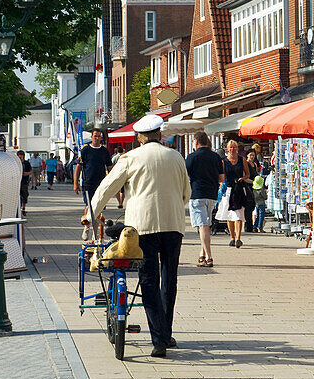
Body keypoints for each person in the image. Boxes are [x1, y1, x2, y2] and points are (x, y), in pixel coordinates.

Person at [91, 113, 190, 358]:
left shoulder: (131, 157)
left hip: (142, 227)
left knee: (148, 280)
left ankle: (158, 340)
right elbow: (186, 192)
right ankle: (166, 334)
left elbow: (107, 187)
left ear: (140, 137)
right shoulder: (176, 156)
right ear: (159, 134)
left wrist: (92, 212)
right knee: (169, 279)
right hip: (173, 225)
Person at [185, 131, 225, 267]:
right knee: (205, 226)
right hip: (212, 194)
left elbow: (184, 176)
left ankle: (209, 257)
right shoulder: (216, 157)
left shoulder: (191, 157)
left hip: (197, 194)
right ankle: (201, 254)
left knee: (203, 226)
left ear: (196, 141)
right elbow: (222, 178)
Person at [74, 128, 113, 241]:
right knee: (90, 207)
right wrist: (75, 183)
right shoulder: (85, 150)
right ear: (91, 137)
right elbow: (79, 167)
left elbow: (110, 167)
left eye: (99, 136)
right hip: (88, 183)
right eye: (95, 136)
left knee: (98, 209)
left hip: (101, 184)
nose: (97, 138)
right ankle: (87, 226)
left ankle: (95, 234)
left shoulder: (104, 151)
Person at [215, 138, 250, 247]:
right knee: (229, 215)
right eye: (231, 147)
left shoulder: (242, 160)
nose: (232, 149)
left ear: (237, 148)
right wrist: (221, 184)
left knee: (239, 215)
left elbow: (248, 174)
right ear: (227, 149)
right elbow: (221, 176)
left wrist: (243, 178)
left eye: (234, 147)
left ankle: (238, 238)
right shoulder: (224, 161)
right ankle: (232, 237)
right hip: (228, 190)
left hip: (238, 189)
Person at [18, 149, 32, 216]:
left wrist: (27, 173)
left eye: (21, 157)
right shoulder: (16, 163)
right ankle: (19, 208)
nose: (20, 158)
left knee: (24, 195)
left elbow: (31, 171)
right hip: (18, 181)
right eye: (18, 157)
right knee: (18, 195)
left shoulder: (26, 163)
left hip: (24, 181)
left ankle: (23, 208)